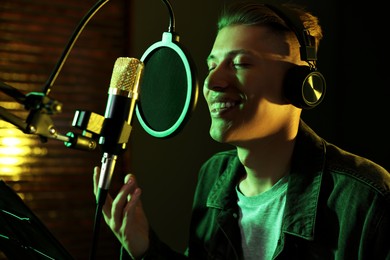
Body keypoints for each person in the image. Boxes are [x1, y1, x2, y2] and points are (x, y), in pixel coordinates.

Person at [93, 0, 390, 259]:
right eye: (211, 66)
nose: (212, 82)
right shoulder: (213, 176)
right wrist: (145, 249)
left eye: (240, 64)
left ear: (301, 86)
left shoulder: (366, 200)